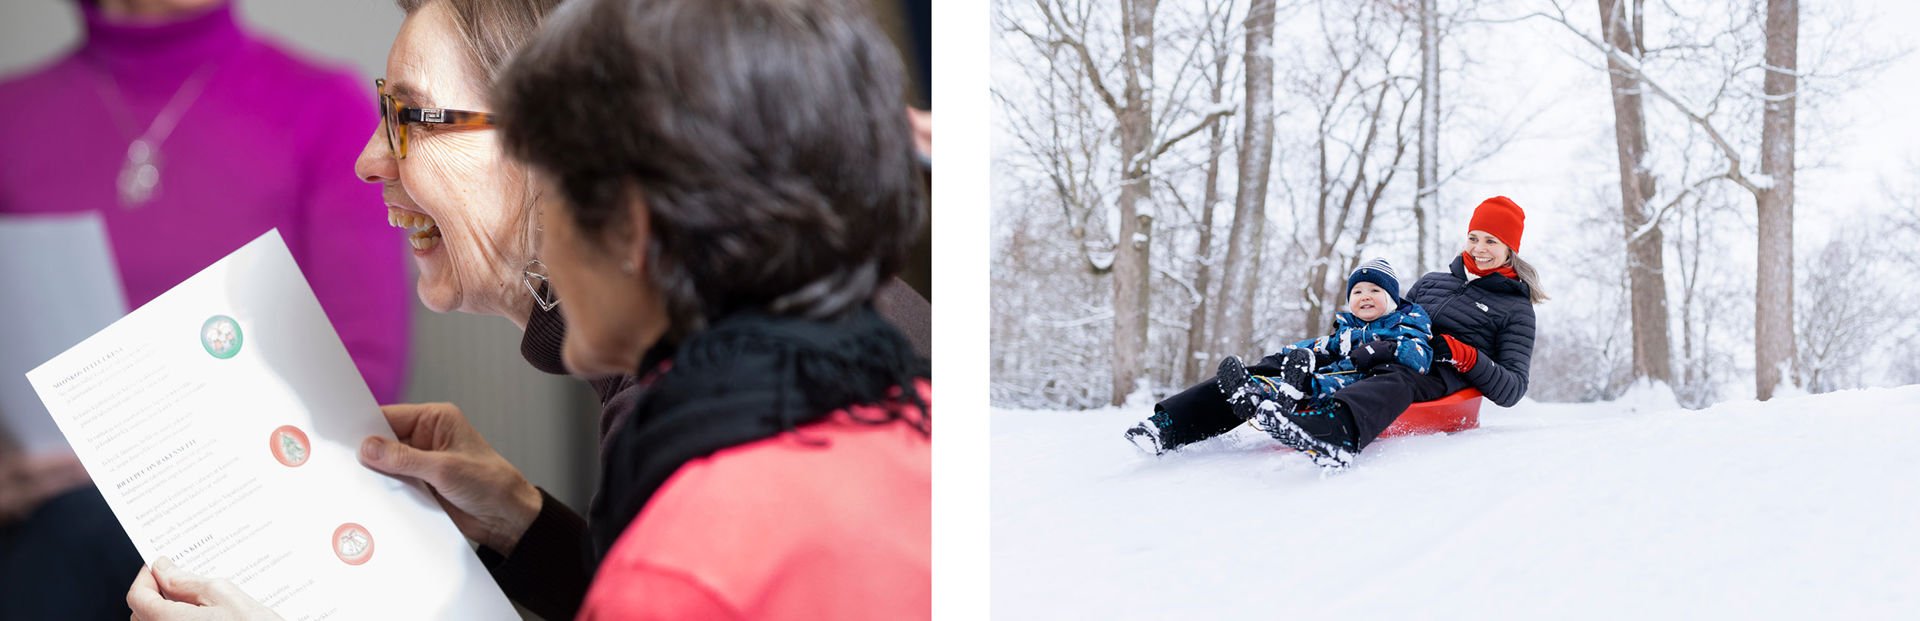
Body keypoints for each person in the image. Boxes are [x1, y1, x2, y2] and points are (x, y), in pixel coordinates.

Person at [125, 0, 932, 618]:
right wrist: (521, 521)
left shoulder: (724, 438)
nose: (370, 158)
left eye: (408, 115)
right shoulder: (780, 357)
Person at [0, 2, 408, 618]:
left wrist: (152, 468)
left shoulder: (324, 107)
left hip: (248, 497)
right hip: (43, 507)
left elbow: (361, 371)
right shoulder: (11, 116)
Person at [1143, 196, 1544, 469]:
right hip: (1383, 346)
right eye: (1474, 237)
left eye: (1492, 240)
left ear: (1511, 248)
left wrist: (1463, 354)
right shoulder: (1433, 280)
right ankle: (1173, 424)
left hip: (1434, 374)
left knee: (1397, 376)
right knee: (1287, 360)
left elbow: (1511, 389)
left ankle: (1333, 431)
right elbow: (1393, 312)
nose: (1478, 248)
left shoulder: (1515, 309)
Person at [1126, 259, 1433, 466]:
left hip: (1358, 380)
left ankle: (1317, 416)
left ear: (1392, 298)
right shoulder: (1345, 330)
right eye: (1357, 291)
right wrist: (1285, 355)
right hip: (1326, 375)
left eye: (1375, 290)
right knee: (1270, 371)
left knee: (1340, 376)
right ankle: (1172, 424)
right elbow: (1316, 346)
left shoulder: (1405, 322)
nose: (1365, 296)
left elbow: (1420, 356)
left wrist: (1383, 349)